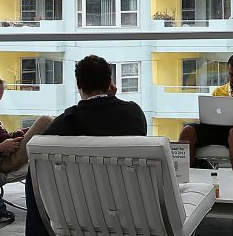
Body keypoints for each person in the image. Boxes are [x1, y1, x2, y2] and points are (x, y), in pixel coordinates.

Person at [24, 55, 148, 236]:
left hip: (80, 213)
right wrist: (110, 99)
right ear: (109, 82)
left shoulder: (66, 122)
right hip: (130, 211)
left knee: (34, 172)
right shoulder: (134, 114)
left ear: (78, 84)